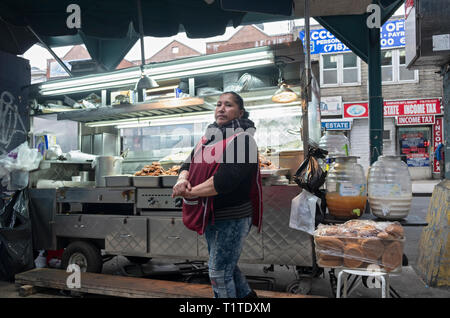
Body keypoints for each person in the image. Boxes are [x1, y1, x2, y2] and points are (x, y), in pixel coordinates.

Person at [172, 91, 263, 298]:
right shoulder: (208, 138)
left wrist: (189, 192)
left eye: (228, 105)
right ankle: (248, 299)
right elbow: (187, 163)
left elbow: (224, 181)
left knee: (218, 273)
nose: (221, 108)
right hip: (211, 215)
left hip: (232, 217)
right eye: (219, 104)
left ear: (240, 112)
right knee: (225, 265)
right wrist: (182, 180)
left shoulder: (244, 141)